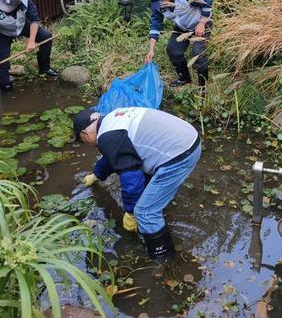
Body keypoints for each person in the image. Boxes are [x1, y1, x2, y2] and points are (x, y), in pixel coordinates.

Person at [74, 106, 201, 259]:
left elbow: (132, 177)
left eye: (82, 140)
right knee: (144, 188)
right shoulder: (111, 119)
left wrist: (130, 212)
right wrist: (96, 175)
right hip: (188, 139)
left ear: (85, 133)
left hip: (179, 155)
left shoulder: (107, 137)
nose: (86, 144)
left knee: (144, 211)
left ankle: (164, 259)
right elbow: (113, 157)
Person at [0, 0, 58, 91]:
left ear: (17, 3)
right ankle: (6, 89)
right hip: (2, 33)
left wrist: (31, 41)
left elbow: (34, 20)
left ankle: (44, 68)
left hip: (21, 25)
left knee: (46, 37)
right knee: (3, 62)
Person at [144, 0, 213, 88]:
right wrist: (151, 50)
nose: (160, 4)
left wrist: (202, 22)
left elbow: (207, 1)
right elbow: (155, 25)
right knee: (173, 50)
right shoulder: (157, 3)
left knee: (198, 54)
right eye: (157, 2)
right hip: (182, 27)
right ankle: (184, 79)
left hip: (201, 23)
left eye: (161, 0)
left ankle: (203, 87)